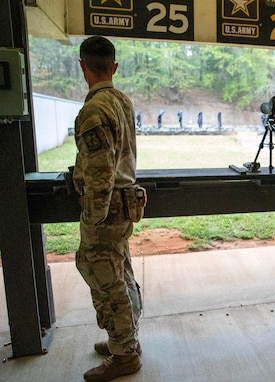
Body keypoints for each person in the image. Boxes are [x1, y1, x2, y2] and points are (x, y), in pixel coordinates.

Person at [73, 35, 143, 381]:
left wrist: (92, 221)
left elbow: (100, 176)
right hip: (123, 205)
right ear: (113, 67)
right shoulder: (121, 101)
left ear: (83, 66)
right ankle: (127, 338)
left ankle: (124, 352)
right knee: (120, 272)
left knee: (105, 278)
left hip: (106, 208)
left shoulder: (94, 109)